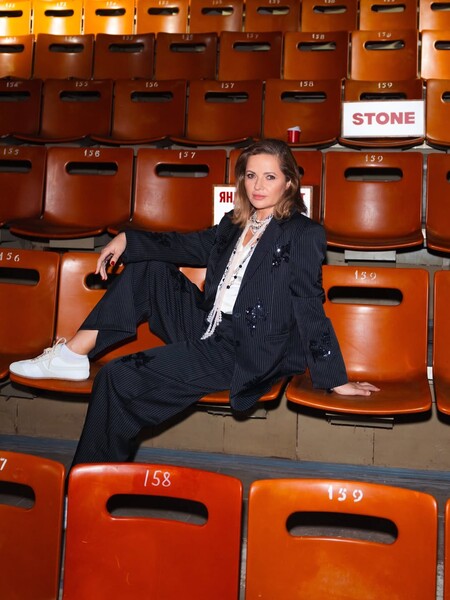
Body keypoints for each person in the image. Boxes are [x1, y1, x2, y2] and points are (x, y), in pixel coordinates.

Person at [10, 139, 379, 467]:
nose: (258, 186)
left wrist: (336, 379)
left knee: (116, 377)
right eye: (251, 176)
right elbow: (182, 245)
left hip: (243, 349)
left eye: (269, 177)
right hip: (208, 325)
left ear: (288, 183)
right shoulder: (234, 224)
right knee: (149, 267)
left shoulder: (303, 233)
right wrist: (127, 240)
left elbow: (309, 305)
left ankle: (87, 490)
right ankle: (73, 355)